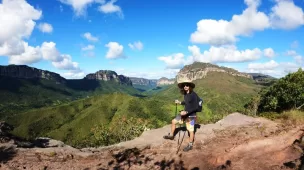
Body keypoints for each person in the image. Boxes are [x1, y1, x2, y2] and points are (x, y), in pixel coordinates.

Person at [163, 78, 199, 152]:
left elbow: (196, 107)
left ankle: (190, 144)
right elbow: (186, 102)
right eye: (184, 85)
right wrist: (180, 102)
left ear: (190, 86)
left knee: (190, 130)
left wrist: (187, 112)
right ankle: (171, 135)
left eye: (187, 85)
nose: (185, 86)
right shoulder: (186, 94)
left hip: (192, 116)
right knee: (173, 121)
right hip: (184, 114)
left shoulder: (194, 95)